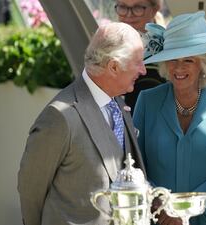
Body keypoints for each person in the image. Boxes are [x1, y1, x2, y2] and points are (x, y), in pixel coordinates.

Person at [17, 22, 147, 225]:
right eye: (138, 62)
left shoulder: (118, 104)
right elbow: (30, 189)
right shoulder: (60, 116)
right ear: (113, 66)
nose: (144, 70)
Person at [133, 11, 206, 225]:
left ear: (203, 63)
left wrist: (184, 211)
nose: (179, 68)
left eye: (188, 60)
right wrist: (162, 205)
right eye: (173, 59)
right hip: (159, 218)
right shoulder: (147, 100)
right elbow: (135, 165)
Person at [115, 0, 166, 114]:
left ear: (154, 9)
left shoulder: (168, 51)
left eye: (137, 8)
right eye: (123, 7)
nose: (129, 14)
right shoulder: (108, 47)